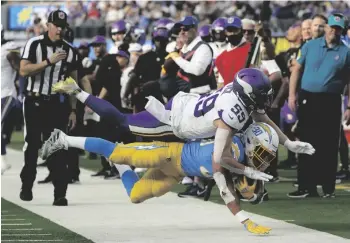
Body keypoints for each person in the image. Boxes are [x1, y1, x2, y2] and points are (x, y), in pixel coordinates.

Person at [53, 67, 315, 186]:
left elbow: (260, 117)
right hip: (174, 122)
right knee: (122, 121)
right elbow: (219, 157)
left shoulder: (239, 95)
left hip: (186, 105)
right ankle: (75, 91)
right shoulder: (232, 113)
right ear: (247, 94)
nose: (265, 101)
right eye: (261, 95)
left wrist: (288, 142)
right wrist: (249, 171)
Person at [41, 122, 278, 235]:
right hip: (169, 154)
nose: (262, 157)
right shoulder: (232, 148)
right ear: (251, 141)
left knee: (135, 196)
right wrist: (245, 219)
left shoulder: (239, 156)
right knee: (115, 151)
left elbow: (238, 187)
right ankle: (63, 138)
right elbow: (225, 186)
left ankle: (120, 164)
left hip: (177, 171)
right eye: (261, 151)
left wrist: (251, 190)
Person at [19, 10, 78, 206]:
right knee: (33, 144)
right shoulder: (34, 44)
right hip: (34, 101)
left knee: (57, 147)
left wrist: (73, 109)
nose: (60, 30)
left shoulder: (70, 50)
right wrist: (47, 62)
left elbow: (73, 81)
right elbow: (23, 70)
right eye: (56, 26)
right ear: (48, 25)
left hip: (56, 103)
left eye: (63, 26)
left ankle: (60, 193)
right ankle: (27, 185)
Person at [288, 14, 350, 198]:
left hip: (331, 100)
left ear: (341, 31)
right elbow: (296, 70)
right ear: (326, 27)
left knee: (329, 144)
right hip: (308, 98)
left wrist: (349, 107)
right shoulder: (310, 46)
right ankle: (306, 187)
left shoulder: (346, 52)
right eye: (331, 27)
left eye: (337, 28)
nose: (333, 31)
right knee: (306, 142)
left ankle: (327, 187)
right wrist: (292, 95)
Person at [1, 29, 21, 174]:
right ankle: (2, 161)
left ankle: (2, 161)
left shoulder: (8, 48)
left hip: (7, 94)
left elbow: (19, 67)